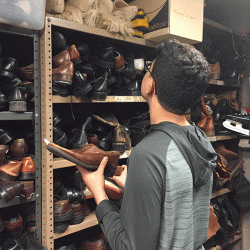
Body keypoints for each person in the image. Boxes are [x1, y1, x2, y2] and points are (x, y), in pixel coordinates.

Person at [76, 39, 217, 250]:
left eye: (149, 70)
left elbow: (130, 247)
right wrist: (136, 187)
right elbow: (181, 203)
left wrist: (98, 193)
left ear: (151, 85)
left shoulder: (149, 154)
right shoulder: (199, 138)